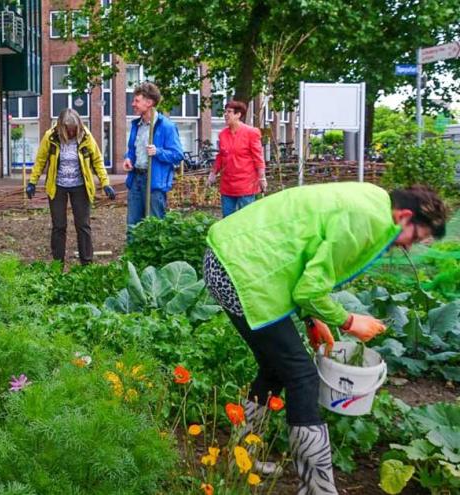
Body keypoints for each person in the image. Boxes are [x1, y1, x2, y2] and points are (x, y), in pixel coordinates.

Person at [203, 182, 447, 494]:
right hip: (240, 271)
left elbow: (304, 248)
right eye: (416, 237)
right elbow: (308, 289)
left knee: (275, 367)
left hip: (232, 257)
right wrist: (349, 321)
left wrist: (312, 317)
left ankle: (241, 456)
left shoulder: (373, 201)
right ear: (405, 216)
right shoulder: (366, 223)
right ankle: (318, 488)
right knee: (302, 376)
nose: (409, 247)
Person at [26, 108, 116, 265]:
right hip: (57, 186)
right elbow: (40, 160)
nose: (72, 133)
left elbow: (97, 160)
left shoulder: (86, 136)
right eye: (69, 130)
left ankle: (86, 264)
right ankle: (57, 264)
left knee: (83, 225)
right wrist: (32, 182)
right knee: (59, 226)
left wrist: (105, 183)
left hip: (81, 186)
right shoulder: (51, 136)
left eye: (74, 129)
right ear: (62, 127)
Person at [123, 82, 184, 236]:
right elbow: (132, 149)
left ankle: (154, 258)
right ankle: (132, 257)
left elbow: (178, 154)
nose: (133, 104)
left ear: (149, 103)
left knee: (155, 224)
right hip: (136, 178)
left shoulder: (166, 127)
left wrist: (158, 152)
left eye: (136, 101)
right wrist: (128, 159)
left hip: (154, 182)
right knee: (133, 225)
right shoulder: (137, 125)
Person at [207, 100, 266, 217]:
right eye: (225, 112)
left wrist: (262, 178)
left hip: (246, 184)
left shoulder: (251, 132)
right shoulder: (223, 134)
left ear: (238, 115)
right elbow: (220, 156)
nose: (225, 114)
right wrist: (213, 173)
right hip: (228, 184)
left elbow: (258, 157)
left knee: (246, 218)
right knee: (227, 219)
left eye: (229, 112)